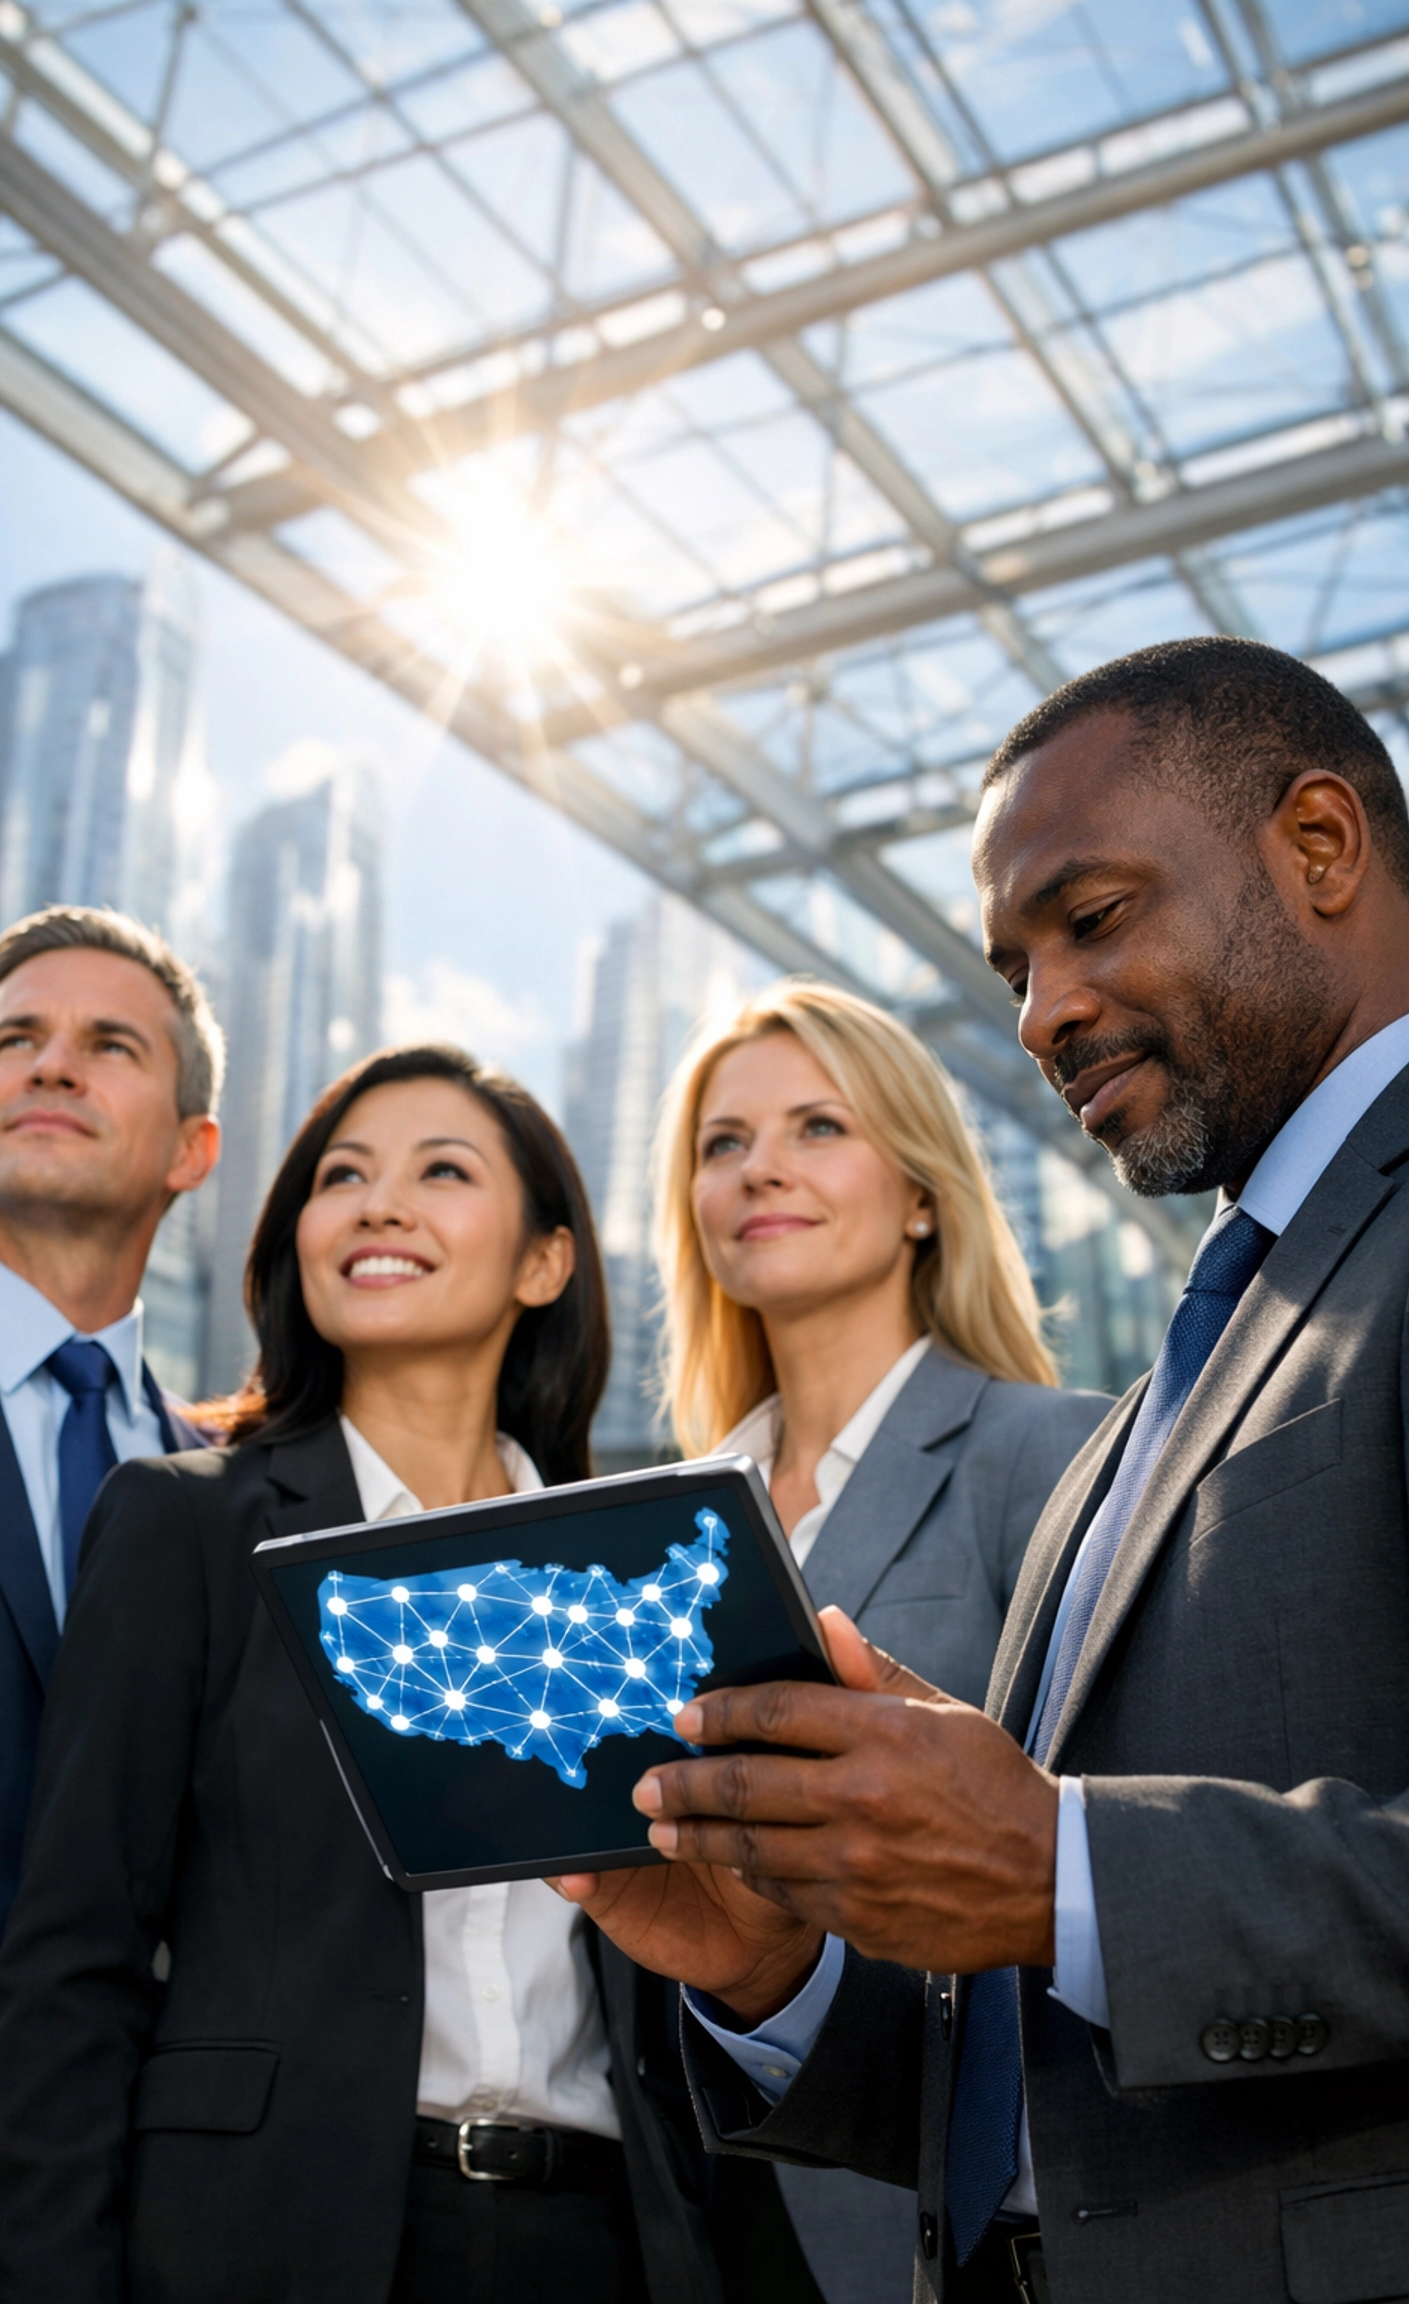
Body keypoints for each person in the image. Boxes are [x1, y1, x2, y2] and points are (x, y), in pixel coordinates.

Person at [558, 635, 1409, 2304]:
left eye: (1089, 918)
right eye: (1012, 963)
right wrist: (775, 1974)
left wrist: (1066, 1861)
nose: (1040, 1013)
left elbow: (1070, 1884)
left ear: (1319, 846)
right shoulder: (1166, 1387)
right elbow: (1048, 2071)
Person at [0, 1044, 803, 2304]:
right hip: (265, 2237)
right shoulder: (185, 1524)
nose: (378, 1203)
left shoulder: (637, 1572)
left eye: (443, 1170)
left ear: (545, 1261)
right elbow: (73, 1959)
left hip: (606, 2242)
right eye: (342, 1175)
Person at [651, 983, 1108, 2300]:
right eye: (723, 1142)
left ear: (921, 1193)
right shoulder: (665, 1536)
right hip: (710, 2212)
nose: (761, 1169)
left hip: (954, 2233)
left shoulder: (1055, 1457)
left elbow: (1103, 1874)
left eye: (816, 1127)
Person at [0, 905, 220, 2304]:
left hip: (142, 2233)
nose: (54, 1066)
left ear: (193, 1149)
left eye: (108, 1045)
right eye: (18, 1039)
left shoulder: (229, 1490)